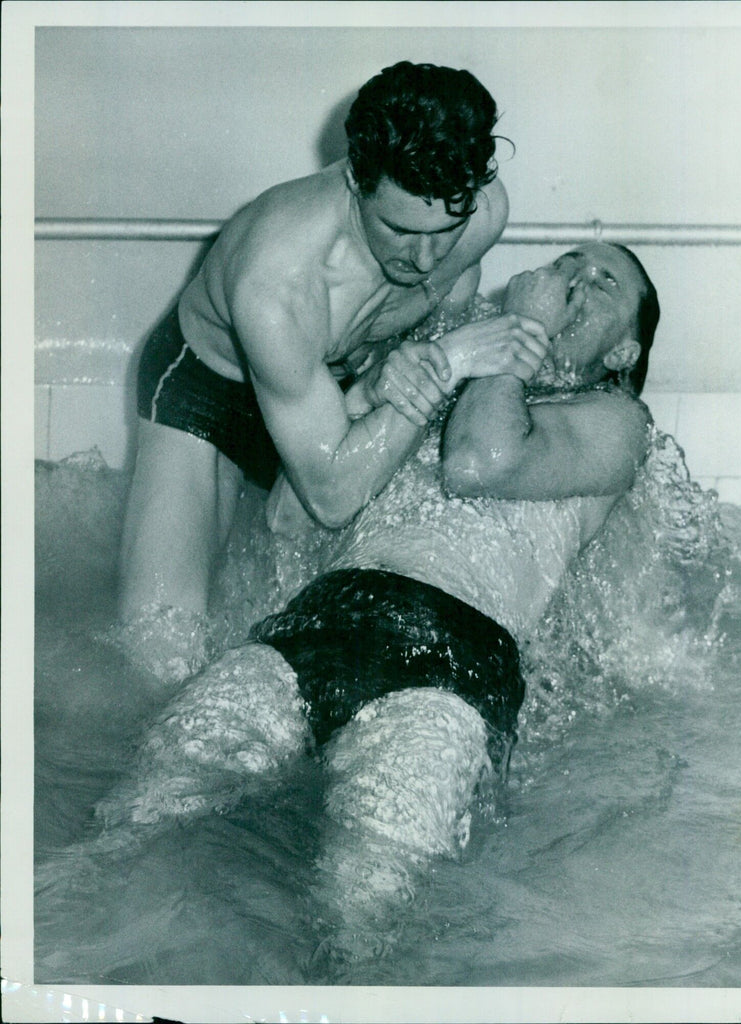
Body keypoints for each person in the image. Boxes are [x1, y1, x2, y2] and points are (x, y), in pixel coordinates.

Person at [95, 242, 659, 926]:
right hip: (316, 626)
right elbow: (288, 518)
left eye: (604, 283)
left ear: (624, 353)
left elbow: (478, 462)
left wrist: (516, 335)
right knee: (143, 807)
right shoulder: (457, 372)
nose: (573, 281)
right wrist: (373, 393)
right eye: (570, 263)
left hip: (452, 667)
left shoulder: (617, 425)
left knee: (364, 899)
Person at [119, 61, 544, 621]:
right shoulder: (278, 284)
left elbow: (433, 326)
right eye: (399, 231)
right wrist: (450, 361)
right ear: (354, 181)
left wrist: (384, 380)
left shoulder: (483, 214)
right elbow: (333, 497)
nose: (425, 259)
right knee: (162, 647)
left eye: (445, 232)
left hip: (332, 393)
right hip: (209, 399)